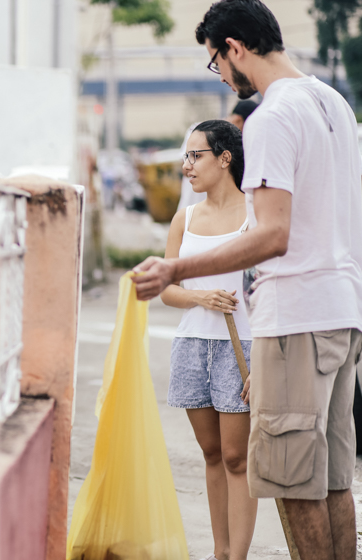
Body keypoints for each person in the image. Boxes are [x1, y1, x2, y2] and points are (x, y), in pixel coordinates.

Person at [131, 1, 362, 559]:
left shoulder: (272, 117)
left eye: (216, 60)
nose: (220, 74)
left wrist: (176, 268)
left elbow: (272, 234)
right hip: (342, 311)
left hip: (296, 319)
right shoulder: (333, 102)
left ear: (234, 47)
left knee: (290, 479)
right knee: (333, 478)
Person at [163, 119, 256, 560]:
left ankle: (237, 556)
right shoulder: (184, 219)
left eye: (195, 155)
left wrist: (265, 363)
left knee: (238, 457)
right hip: (192, 345)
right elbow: (168, 289)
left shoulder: (256, 216)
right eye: (186, 156)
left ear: (224, 158)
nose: (187, 165)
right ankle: (220, 552)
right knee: (212, 453)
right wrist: (200, 297)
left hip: (242, 348)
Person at [177, 100, 260, 211]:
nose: (187, 165)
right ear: (238, 120)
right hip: (194, 207)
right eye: (197, 156)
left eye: (197, 156)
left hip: (225, 211)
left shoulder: (242, 143)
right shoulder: (199, 131)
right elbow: (184, 169)